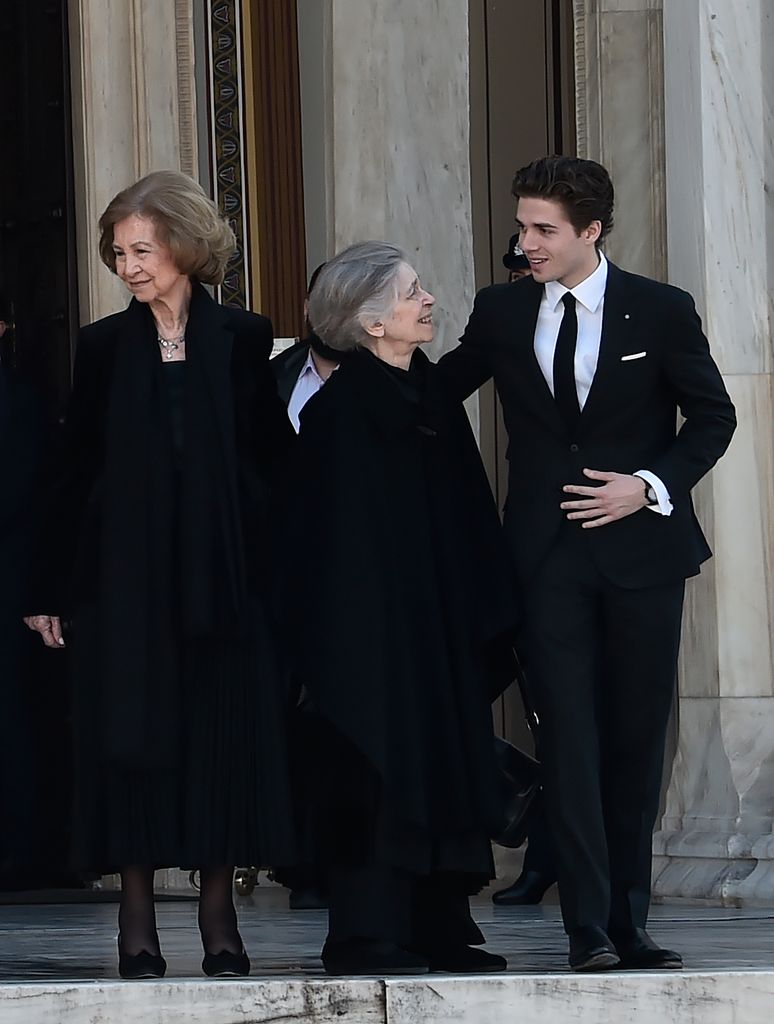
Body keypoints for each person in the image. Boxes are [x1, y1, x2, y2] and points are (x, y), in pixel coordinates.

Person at [439, 156, 736, 972]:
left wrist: (647, 486)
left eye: (543, 230)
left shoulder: (660, 310)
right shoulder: (500, 311)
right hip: (543, 560)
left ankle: (630, 924)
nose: (525, 242)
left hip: (644, 558)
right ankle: (588, 930)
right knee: (567, 737)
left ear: (591, 232)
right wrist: (333, 371)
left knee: (636, 741)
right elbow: (433, 392)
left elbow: (713, 417)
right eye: (523, 226)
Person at [24, 170, 296, 979]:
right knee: (131, 741)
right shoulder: (103, 345)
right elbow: (73, 475)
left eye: (141, 248)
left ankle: (219, 917)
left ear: (183, 244)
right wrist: (49, 590)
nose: (129, 266)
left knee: (217, 739)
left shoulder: (245, 335)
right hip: (123, 587)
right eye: (118, 252)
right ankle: (135, 919)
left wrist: (272, 571)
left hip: (223, 583)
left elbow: (271, 460)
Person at [278, 240, 519, 977]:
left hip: (437, 630)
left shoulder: (434, 397)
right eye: (412, 292)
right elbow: (326, 548)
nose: (427, 301)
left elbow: (469, 513)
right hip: (370, 642)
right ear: (370, 321)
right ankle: (367, 934)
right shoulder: (336, 416)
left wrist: (484, 612)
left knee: (445, 765)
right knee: (377, 774)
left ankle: (442, 928)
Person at [491, 236, 558, 907]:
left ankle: (552, 853)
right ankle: (545, 840)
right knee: (545, 706)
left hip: (611, 547)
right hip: (526, 547)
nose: (522, 271)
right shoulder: (508, 323)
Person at [272, 262, 340, 432]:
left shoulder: (382, 380)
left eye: (342, 306)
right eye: (324, 304)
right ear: (306, 308)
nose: (330, 318)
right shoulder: (274, 375)